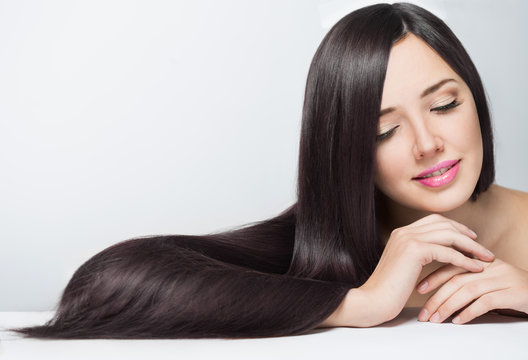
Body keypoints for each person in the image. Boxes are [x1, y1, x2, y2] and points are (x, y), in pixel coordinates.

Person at [13, 2, 528, 339]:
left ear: (475, 101)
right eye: (382, 132)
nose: (428, 144)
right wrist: (358, 303)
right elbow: (101, 285)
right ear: (346, 149)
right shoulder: (326, 244)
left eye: (444, 105)